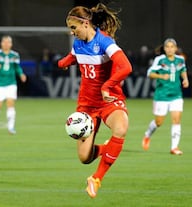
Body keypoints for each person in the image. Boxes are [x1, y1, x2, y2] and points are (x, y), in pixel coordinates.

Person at [57, 3, 132, 198]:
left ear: (85, 23)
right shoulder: (78, 44)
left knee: (121, 128)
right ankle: (109, 148)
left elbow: (126, 67)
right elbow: (74, 57)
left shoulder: (105, 42)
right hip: (86, 105)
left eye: (74, 28)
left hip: (108, 100)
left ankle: (96, 178)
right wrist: (64, 62)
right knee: (84, 157)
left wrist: (107, 86)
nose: (72, 33)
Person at [142, 38, 189, 155]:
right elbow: (150, 73)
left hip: (176, 95)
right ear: (164, 48)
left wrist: (185, 79)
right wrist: (161, 77)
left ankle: (174, 147)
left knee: (176, 120)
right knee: (159, 122)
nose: (169, 49)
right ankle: (147, 135)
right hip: (161, 96)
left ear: (175, 49)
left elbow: (183, 69)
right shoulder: (160, 60)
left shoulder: (180, 59)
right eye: (167, 47)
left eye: (172, 47)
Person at [0, 35, 27, 135]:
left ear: (11, 44)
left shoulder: (15, 55)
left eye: (8, 42)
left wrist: (21, 74)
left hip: (11, 83)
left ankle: (11, 127)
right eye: (4, 42)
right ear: (1, 43)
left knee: (10, 103)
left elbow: (17, 67)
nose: (6, 44)